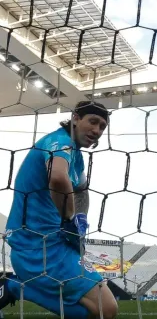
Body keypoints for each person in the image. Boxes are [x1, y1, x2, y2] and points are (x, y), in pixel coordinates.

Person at [0, 101, 118, 319]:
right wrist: (69, 218)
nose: (97, 130)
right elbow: (57, 177)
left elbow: (81, 189)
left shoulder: (77, 156)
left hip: (56, 242)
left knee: (102, 311)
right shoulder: (58, 141)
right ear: (75, 118)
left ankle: (15, 288)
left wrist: (80, 220)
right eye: (93, 122)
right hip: (35, 246)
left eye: (102, 126)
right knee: (106, 310)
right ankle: (14, 287)